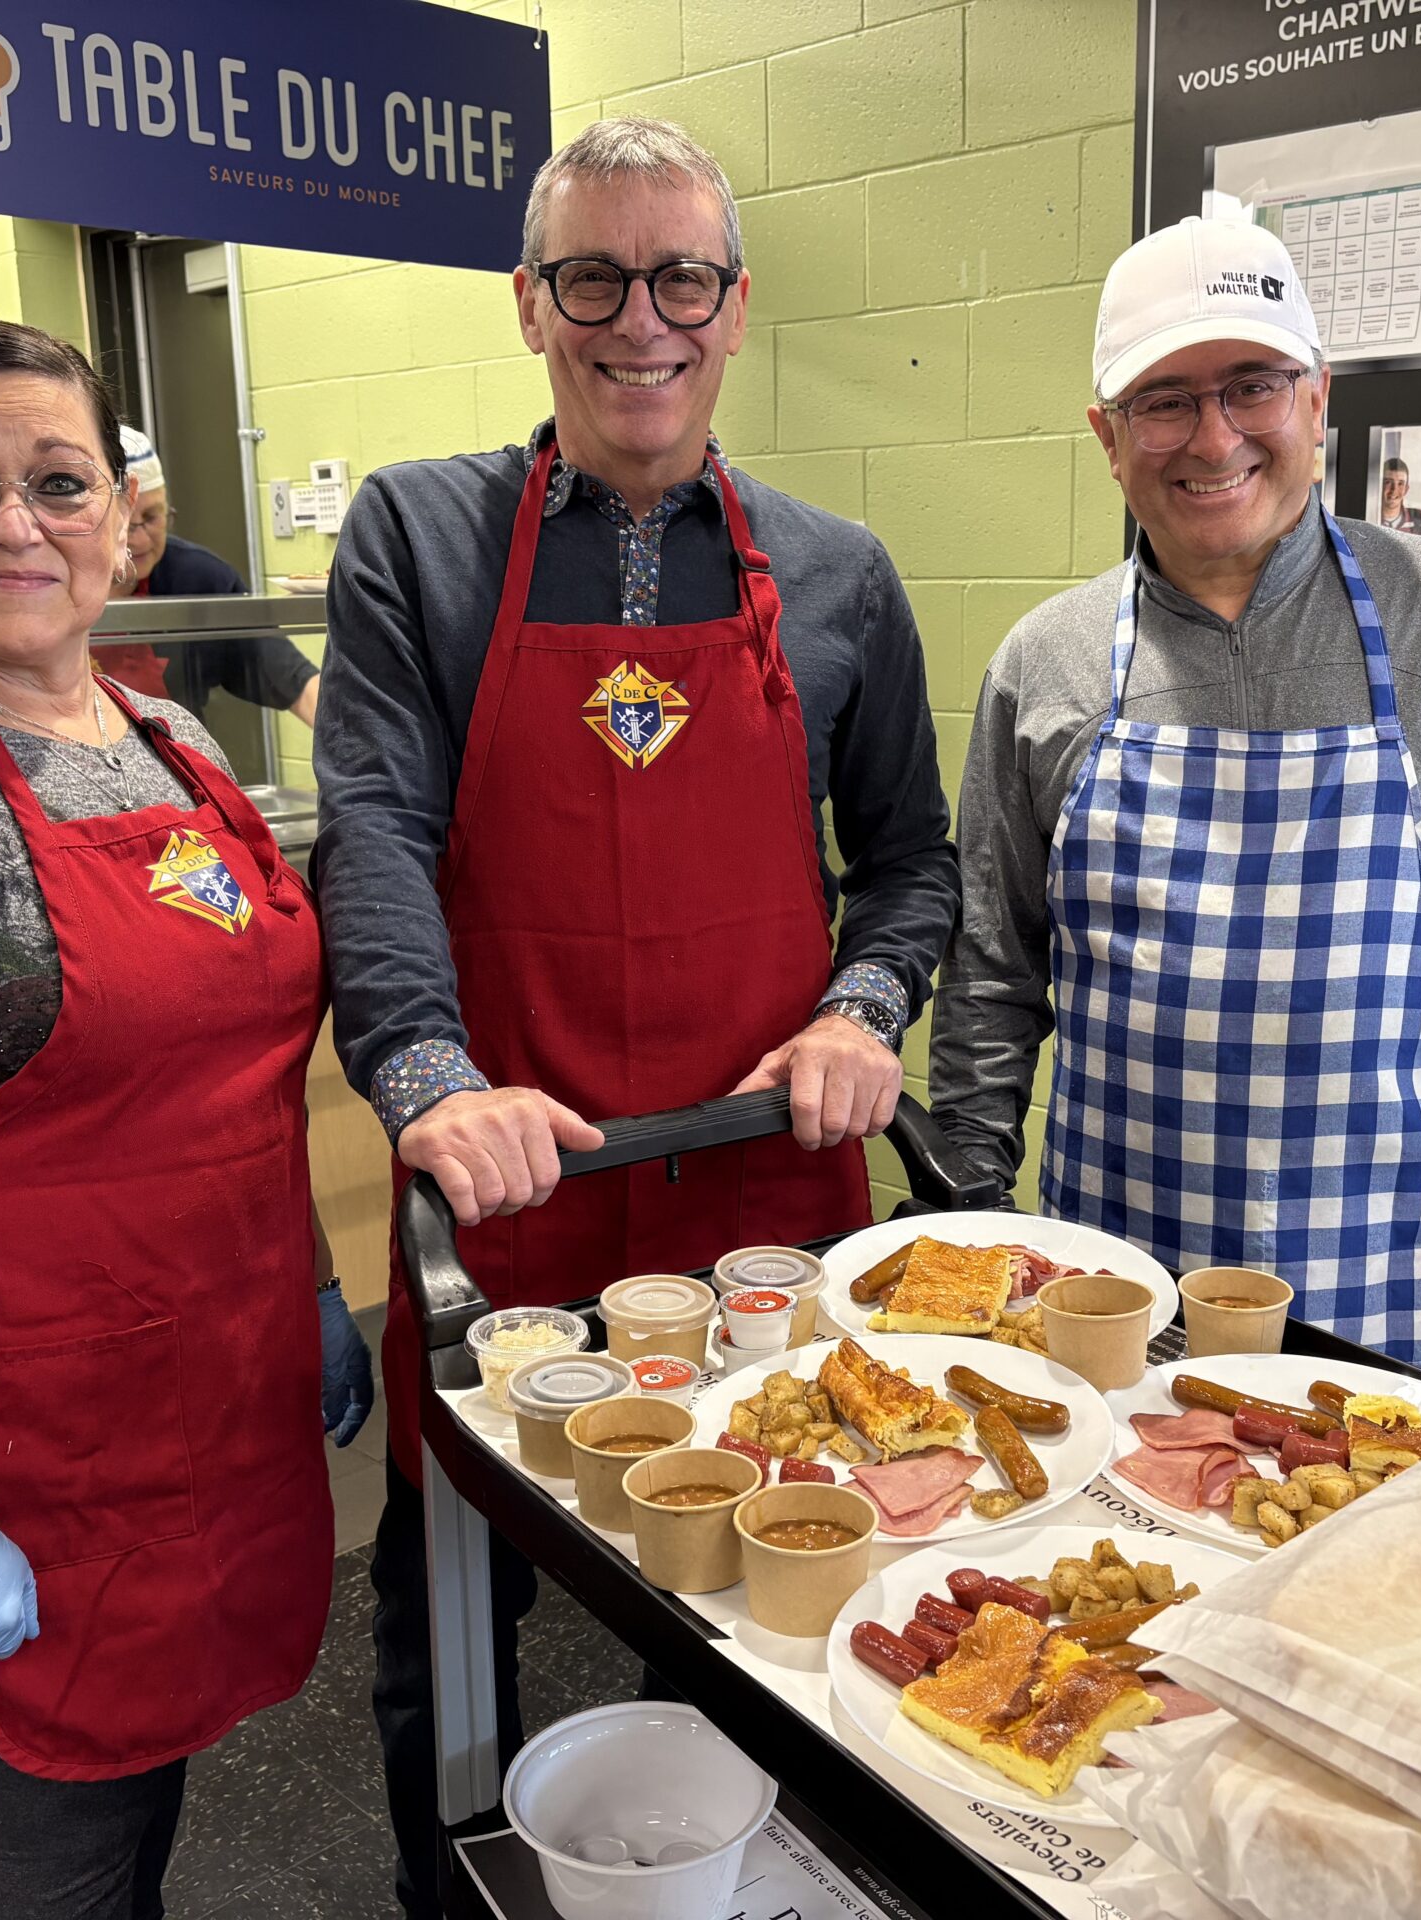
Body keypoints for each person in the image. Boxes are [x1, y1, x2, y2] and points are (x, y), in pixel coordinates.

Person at [314, 117, 958, 1915]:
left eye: (682, 278)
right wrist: (429, 1079)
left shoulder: (838, 573)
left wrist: (862, 1011)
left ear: (735, 306)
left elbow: (912, 858)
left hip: (765, 1189)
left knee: (786, 1578)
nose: (640, 321)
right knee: (450, 1604)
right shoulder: (422, 536)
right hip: (514, 1183)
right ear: (531, 303)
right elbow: (374, 827)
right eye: (593, 278)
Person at [0, 318, 372, 1920]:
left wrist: (315, 1288)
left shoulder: (172, 744)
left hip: (201, 1391)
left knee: (145, 1788)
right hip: (7, 1434)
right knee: (71, 1836)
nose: (14, 522)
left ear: (123, 516)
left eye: (58, 481)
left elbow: (237, 1073)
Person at [931, 215, 1421, 1397]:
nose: (1214, 437)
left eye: (1252, 385)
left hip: (1388, 1278)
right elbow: (994, 972)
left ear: (1317, 400)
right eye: (1165, 401)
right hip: (1117, 1280)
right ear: (1109, 438)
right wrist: (966, 1209)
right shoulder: (1043, 662)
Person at [91, 426, 322, 727]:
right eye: (125, 525)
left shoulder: (199, 578)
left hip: (175, 752)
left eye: (153, 517)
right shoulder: (53, 581)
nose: (142, 539)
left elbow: (296, 682)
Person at [1379, 455, 1421, 535]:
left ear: (1406, 489)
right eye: (1388, 482)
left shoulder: (1420, 520)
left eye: (1400, 483)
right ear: (1379, 486)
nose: (1394, 489)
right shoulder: (1370, 518)